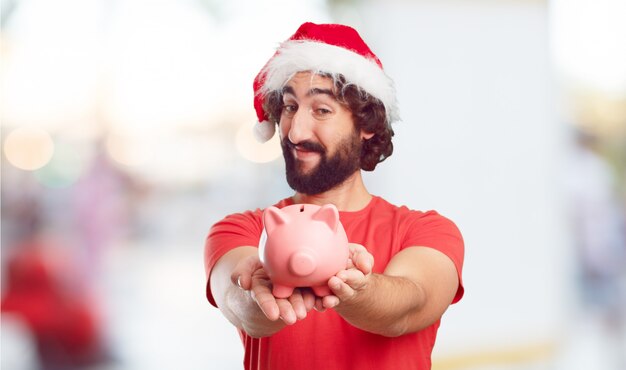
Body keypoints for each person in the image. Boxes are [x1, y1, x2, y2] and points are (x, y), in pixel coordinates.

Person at [204, 22, 465, 370]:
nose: (295, 132)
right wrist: (261, 291)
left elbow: (407, 308)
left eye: (321, 110)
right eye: (290, 107)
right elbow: (242, 307)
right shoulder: (244, 230)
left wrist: (353, 289)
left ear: (367, 123)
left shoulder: (426, 231)